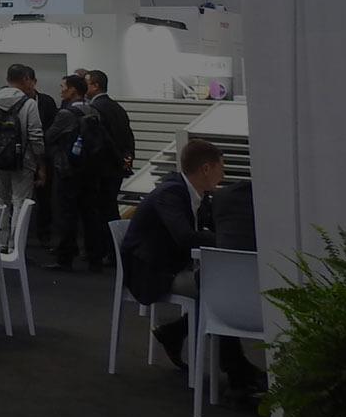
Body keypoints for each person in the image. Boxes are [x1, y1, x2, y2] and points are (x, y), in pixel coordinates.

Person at [124, 140, 263, 392]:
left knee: (215, 285)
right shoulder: (170, 193)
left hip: (171, 265)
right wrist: (228, 240)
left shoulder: (195, 195)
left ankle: (179, 336)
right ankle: (235, 368)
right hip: (151, 271)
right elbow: (185, 237)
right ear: (206, 168)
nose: (224, 174)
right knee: (214, 287)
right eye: (221, 167)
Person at [43, 74, 105, 270]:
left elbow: (49, 136)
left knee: (66, 214)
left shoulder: (65, 114)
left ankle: (65, 258)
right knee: (90, 215)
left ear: (72, 90)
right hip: (90, 170)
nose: (61, 90)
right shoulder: (94, 111)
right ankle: (95, 258)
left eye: (63, 87)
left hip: (68, 170)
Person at [0, 64, 47, 241]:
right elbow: (36, 137)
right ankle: (16, 244)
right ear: (26, 79)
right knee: (20, 202)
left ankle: (1, 243)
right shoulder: (29, 104)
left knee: (1, 202)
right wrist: (41, 166)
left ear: (8, 79)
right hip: (23, 160)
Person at [85, 69, 135, 263]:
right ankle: (114, 251)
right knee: (111, 208)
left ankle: (109, 251)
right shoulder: (117, 108)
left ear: (96, 85)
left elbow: (103, 141)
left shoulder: (94, 109)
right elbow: (128, 136)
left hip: (102, 168)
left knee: (102, 211)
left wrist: (117, 158)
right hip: (117, 168)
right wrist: (127, 158)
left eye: (87, 83)